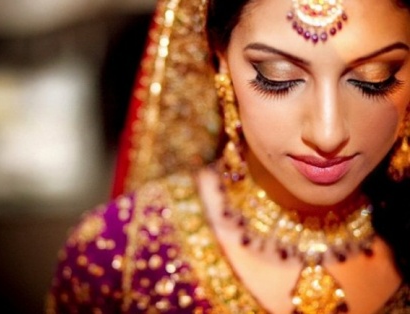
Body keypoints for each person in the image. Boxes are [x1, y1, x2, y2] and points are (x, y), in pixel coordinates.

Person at [45, 0, 410, 313]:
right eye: (277, 77)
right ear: (220, 63)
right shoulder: (118, 255)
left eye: (373, 78)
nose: (327, 134)